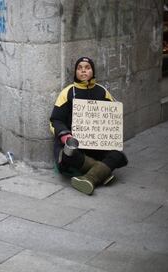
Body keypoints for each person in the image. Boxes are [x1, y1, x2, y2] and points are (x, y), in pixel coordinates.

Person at [50, 57, 128, 195]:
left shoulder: (102, 92)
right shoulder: (67, 92)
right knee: (68, 155)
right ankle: (101, 173)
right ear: (75, 72)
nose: (83, 70)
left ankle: (89, 179)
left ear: (92, 71)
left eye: (87, 67)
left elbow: (113, 117)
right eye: (80, 68)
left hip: (96, 145)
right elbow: (55, 120)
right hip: (74, 144)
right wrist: (66, 136)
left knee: (118, 156)